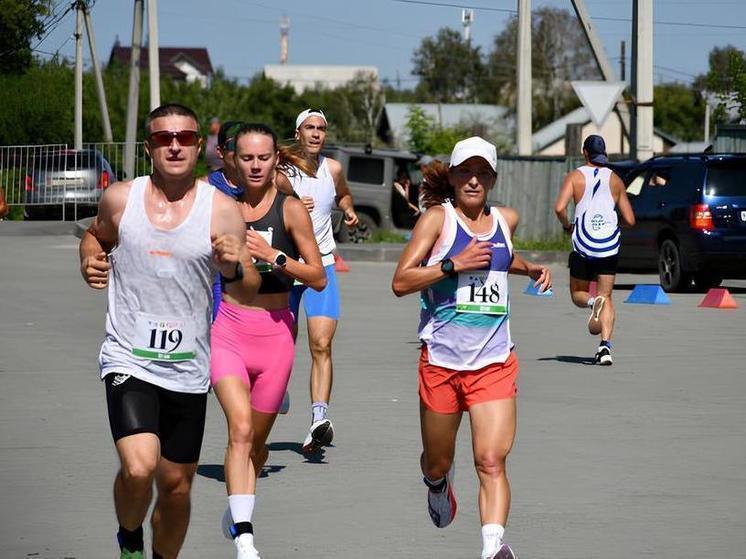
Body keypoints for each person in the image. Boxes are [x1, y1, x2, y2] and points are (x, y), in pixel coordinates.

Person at [79, 103, 260, 559]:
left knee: (177, 488)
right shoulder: (121, 198)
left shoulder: (222, 211)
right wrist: (89, 260)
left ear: (200, 147)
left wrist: (233, 266)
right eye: (164, 138)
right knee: (139, 468)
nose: (174, 145)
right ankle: (130, 539)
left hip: (187, 368)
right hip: (129, 358)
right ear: (149, 147)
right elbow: (96, 236)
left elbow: (251, 285)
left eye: (184, 137)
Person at [392, 137, 551, 559]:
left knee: (491, 460)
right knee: (437, 461)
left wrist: (529, 267)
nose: (474, 180)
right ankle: (437, 484)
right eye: (465, 171)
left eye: (483, 173)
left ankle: (492, 548)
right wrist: (451, 265)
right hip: (442, 364)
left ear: (494, 179)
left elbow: (499, 258)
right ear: (454, 175)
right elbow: (401, 282)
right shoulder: (437, 221)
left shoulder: (505, 219)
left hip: (494, 363)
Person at [212, 123, 326, 558]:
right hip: (228, 329)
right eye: (247, 158)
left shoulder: (291, 210)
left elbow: (317, 277)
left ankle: (238, 507)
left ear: (276, 159)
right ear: (233, 163)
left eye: (263, 157)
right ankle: (246, 540)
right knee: (239, 430)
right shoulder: (221, 208)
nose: (256, 165)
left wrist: (274, 256)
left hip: (277, 334)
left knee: (255, 446)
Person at [276, 108, 359, 453]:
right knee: (281, 345)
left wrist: (349, 209)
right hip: (288, 267)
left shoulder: (333, 168)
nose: (316, 133)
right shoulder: (280, 171)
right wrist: (290, 201)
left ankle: (318, 419)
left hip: (322, 264)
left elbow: (343, 193)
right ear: (298, 133)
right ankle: (276, 389)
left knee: (321, 345)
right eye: (309, 127)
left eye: (321, 128)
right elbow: (263, 203)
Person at [554, 134, 635, 366]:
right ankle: (605, 347)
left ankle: (592, 304)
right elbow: (630, 219)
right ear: (604, 154)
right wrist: (613, 225)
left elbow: (559, 208)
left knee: (578, 294)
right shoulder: (616, 180)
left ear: (585, 153)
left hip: (582, 243)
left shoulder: (575, 176)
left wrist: (568, 226)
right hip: (608, 245)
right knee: (607, 296)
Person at [203, 120, 245, 320]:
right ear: (220, 151)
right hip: (218, 278)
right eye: (232, 146)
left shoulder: (271, 184)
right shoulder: (204, 187)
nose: (239, 151)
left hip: (261, 278)